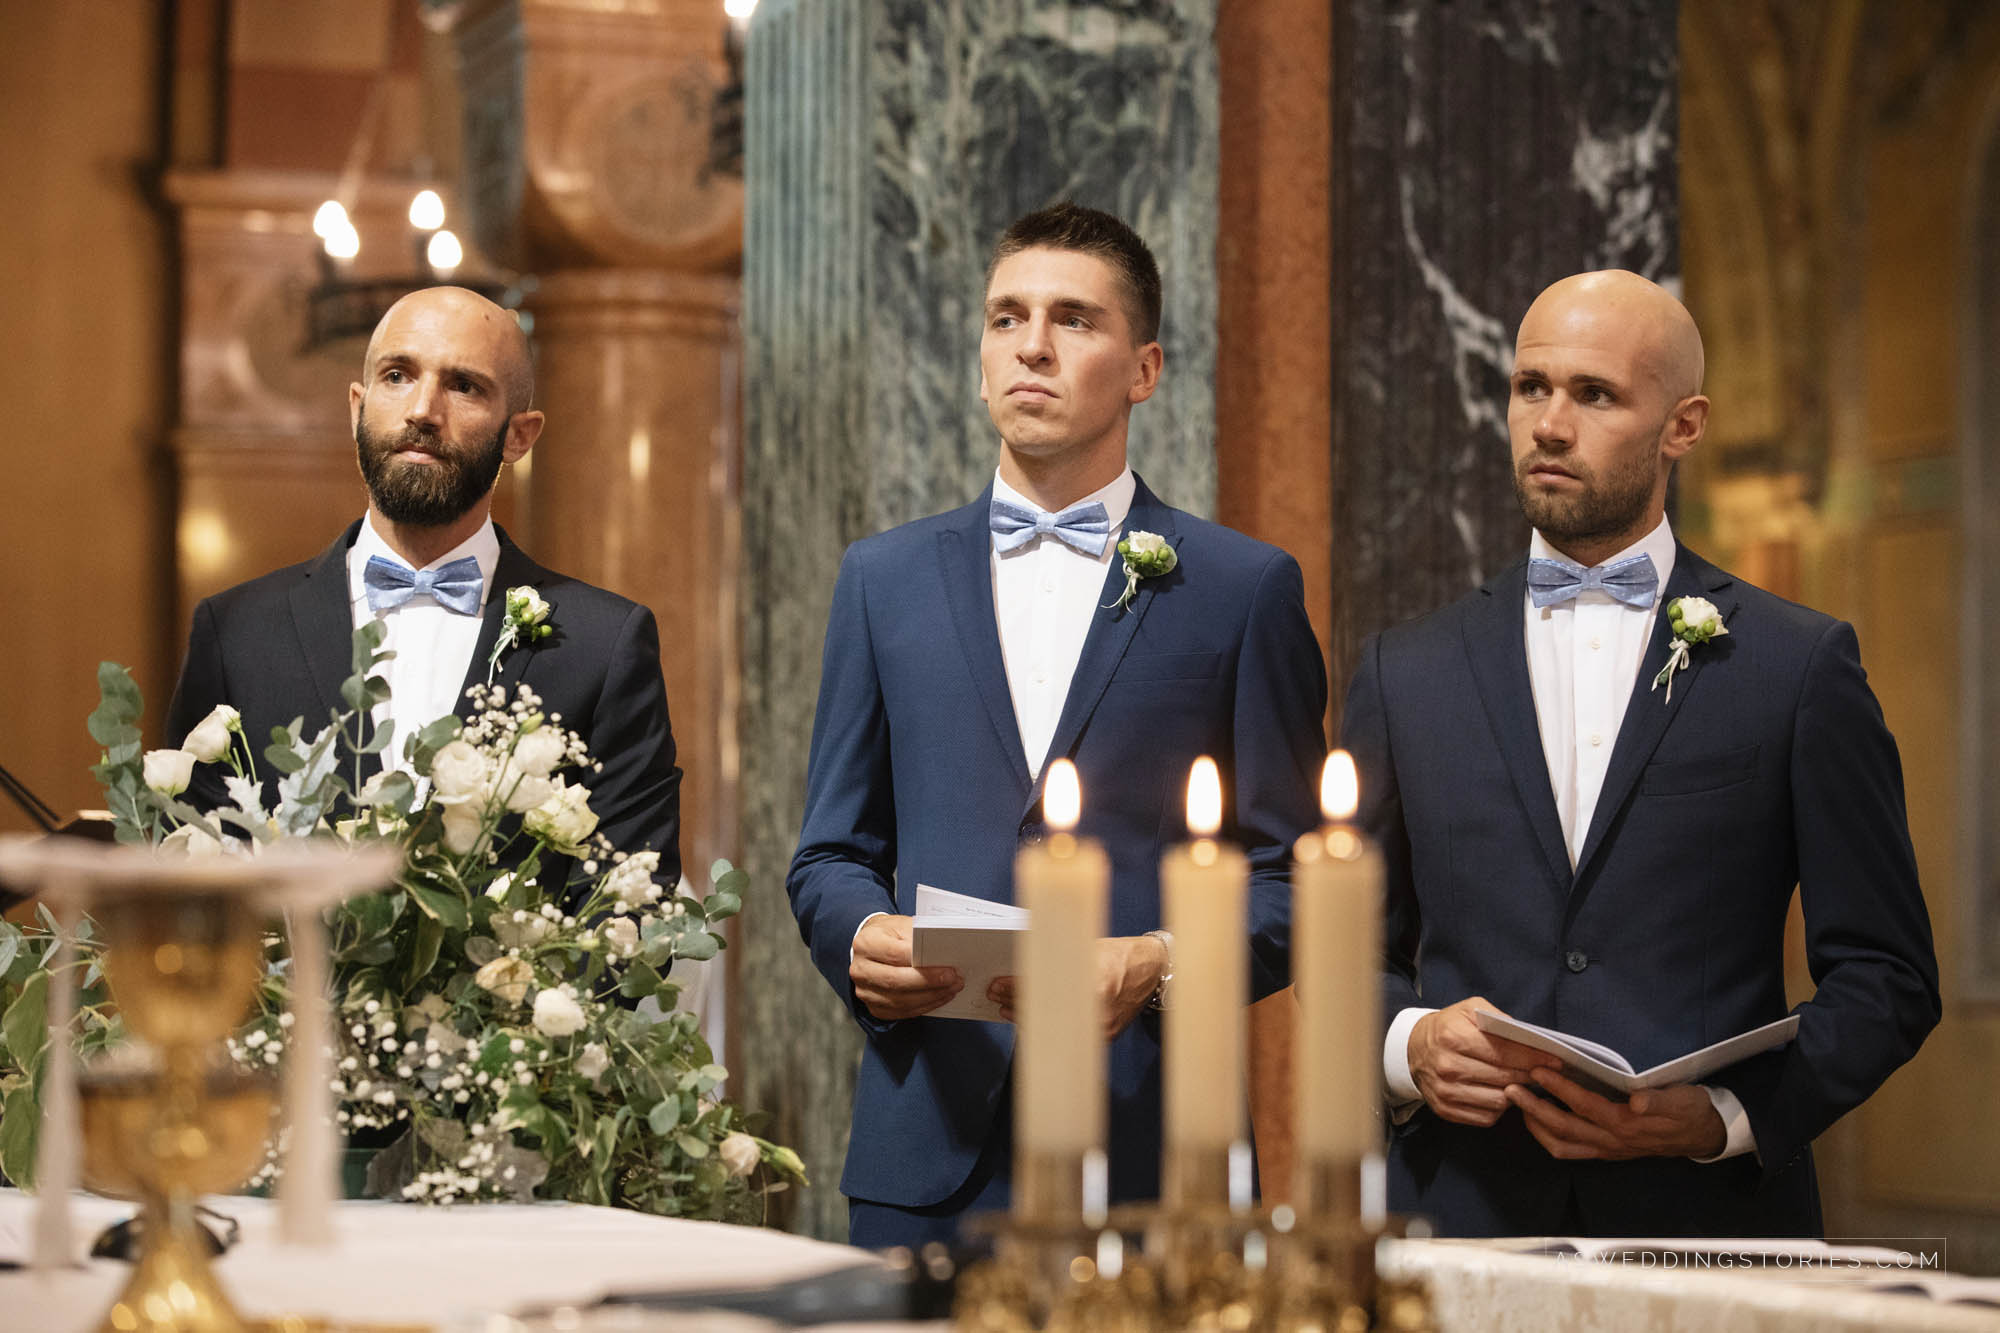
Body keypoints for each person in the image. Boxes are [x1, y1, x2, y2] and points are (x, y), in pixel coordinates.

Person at [1341, 269, 1940, 1237]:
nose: (1547, 422)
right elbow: (1344, 946)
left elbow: (1886, 974)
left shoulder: (1795, 666)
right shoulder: (1403, 670)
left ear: (1683, 425)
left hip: (1707, 1226)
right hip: (1454, 1222)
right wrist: (1405, 1040)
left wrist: (1722, 1118)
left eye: (1594, 394)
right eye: (1529, 387)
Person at [787, 203, 1327, 1248]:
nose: (1030, 344)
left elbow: (1295, 876)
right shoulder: (880, 579)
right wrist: (858, 931)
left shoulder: (1241, 587)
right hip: (927, 1149)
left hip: (1158, 1154)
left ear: (1144, 368)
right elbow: (828, 850)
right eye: (1005, 318)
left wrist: (1160, 962)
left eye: (1073, 319)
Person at [166, 285, 682, 891]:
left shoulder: (604, 646)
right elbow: (184, 882)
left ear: (520, 435)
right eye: (397, 376)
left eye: (464, 386)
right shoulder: (236, 633)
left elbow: (631, 910)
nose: (422, 409)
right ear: (357, 405)